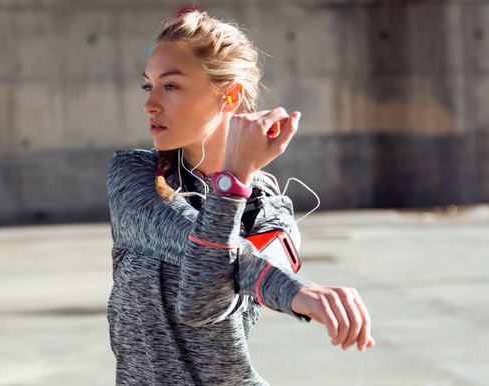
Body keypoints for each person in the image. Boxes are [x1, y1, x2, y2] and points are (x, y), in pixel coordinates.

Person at [106, 9, 374, 385]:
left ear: (229, 95)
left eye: (170, 86)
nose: (150, 103)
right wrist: (300, 291)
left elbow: (201, 301)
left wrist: (235, 184)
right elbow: (193, 242)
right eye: (147, 85)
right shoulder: (135, 175)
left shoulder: (268, 209)